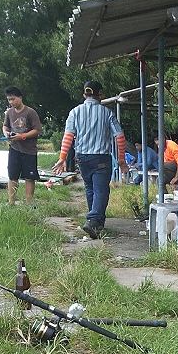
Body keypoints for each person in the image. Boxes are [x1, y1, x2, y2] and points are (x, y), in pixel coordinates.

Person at [52, 81, 128, 239]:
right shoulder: (107, 113)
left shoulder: (75, 112)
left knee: (90, 188)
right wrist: (121, 161)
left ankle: (96, 223)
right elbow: (120, 137)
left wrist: (62, 158)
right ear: (100, 95)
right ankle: (93, 220)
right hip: (101, 157)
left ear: (84, 94)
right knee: (102, 190)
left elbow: (68, 137)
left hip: (82, 157)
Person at [2, 86, 42, 205]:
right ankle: (11, 202)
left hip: (29, 150)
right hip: (14, 148)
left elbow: (37, 130)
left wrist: (22, 136)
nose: (11, 102)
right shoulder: (9, 112)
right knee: (12, 176)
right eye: (9, 100)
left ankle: (29, 203)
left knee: (29, 177)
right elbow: (5, 126)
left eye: (13, 99)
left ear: (20, 97)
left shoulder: (30, 112)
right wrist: (6, 133)